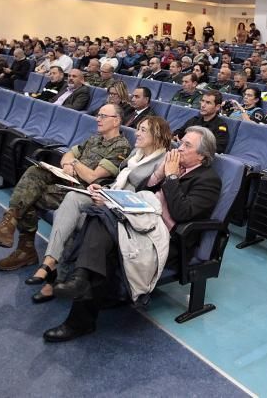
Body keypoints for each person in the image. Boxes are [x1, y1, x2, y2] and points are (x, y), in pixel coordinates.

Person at [44, 126, 222, 342]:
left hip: (166, 240)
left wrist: (172, 176)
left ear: (202, 155)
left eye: (187, 145)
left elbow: (183, 213)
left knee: (99, 222)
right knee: (100, 219)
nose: (179, 148)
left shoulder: (208, 180)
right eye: (180, 142)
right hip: (143, 225)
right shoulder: (177, 166)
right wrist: (115, 194)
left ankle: (80, 293)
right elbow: (143, 190)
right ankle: (83, 287)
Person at [27, 116, 172, 303]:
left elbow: (146, 198)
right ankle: (50, 260)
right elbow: (120, 181)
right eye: (138, 129)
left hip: (126, 212)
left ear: (157, 134)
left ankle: (56, 278)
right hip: (111, 196)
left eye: (143, 130)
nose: (137, 133)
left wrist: (110, 200)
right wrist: (104, 189)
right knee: (72, 198)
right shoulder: (136, 153)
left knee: (76, 220)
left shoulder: (163, 161)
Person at [0, 103, 132, 271]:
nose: (97, 119)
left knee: (31, 198)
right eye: (98, 115)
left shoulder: (121, 146)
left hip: (82, 191)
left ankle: (23, 248)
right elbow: (68, 154)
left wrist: (74, 163)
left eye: (103, 116)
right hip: (67, 179)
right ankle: (9, 226)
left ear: (116, 121)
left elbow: (92, 176)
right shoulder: (94, 139)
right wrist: (68, 163)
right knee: (35, 170)